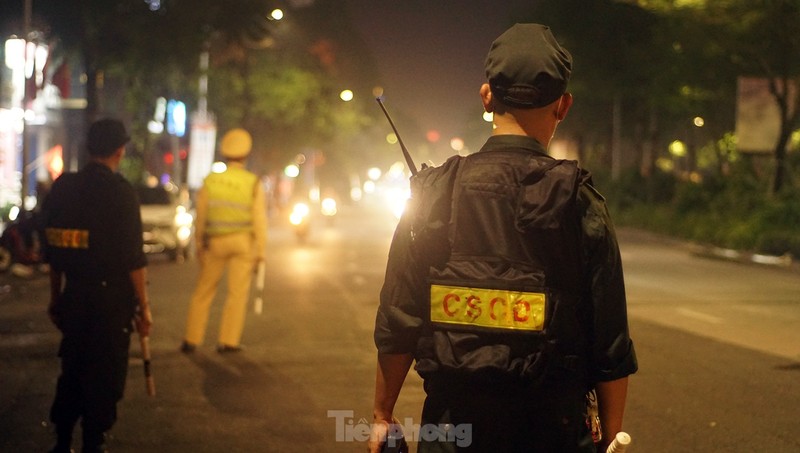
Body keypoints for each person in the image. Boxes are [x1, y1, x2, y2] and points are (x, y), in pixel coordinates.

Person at [369, 23, 638, 453]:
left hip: (452, 429)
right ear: (563, 105)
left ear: (487, 96)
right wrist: (610, 436)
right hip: (554, 431)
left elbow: (398, 319)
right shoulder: (579, 202)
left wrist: (383, 415)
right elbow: (611, 340)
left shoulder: (437, 193)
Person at [42, 118, 152, 453]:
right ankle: (93, 442)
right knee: (105, 373)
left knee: (73, 368)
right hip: (112, 301)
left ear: (89, 148)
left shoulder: (63, 188)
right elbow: (134, 259)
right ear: (120, 150)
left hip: (75, 295)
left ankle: (62, 441)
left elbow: (54, 250)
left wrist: (56, 296)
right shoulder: (121, 194)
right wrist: (144, 307)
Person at [180, 128, 267, 353]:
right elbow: (259, 219)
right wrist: (261, 251)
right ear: (246, 154)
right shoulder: (252, 182)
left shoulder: (211, 181)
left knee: (204, 291)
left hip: (215, 244)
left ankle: (191, 339)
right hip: (242, 243)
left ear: (224, 153)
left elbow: (201, 216)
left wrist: (198, 244)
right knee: (237, 294)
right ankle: (228, 341)